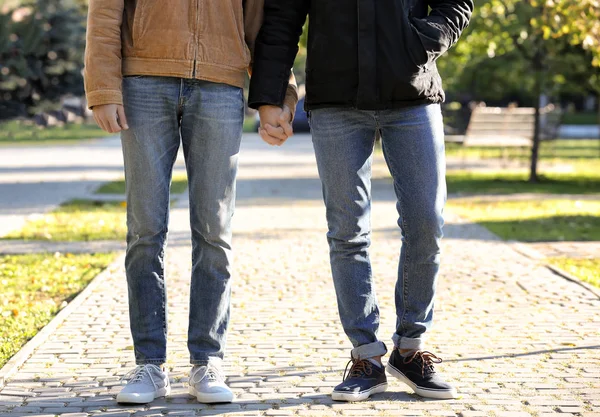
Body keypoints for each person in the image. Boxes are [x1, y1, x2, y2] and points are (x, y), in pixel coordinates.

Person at [249, 0, 473, 402]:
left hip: (412, 91)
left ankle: (410, 349)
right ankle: (366, 358)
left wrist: (419, 42)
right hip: (336, 100)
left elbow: (455, 4)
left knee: (427, 222)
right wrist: (270, 95)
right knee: (348, 231)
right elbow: (282, 18)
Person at [84, 0, 297, 405]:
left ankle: (207, 359)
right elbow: (105, 12)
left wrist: (279, 93)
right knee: (145, 229)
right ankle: (149, 364)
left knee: (214, 231)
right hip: (144, 82)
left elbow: (264, 24)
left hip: (221, 84)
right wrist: (103, 87)